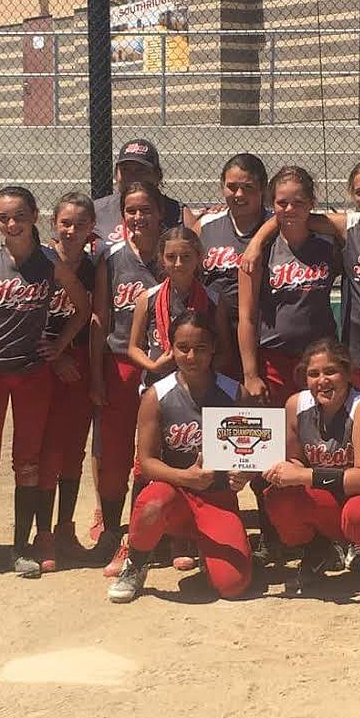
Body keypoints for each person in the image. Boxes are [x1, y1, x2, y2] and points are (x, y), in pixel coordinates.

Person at [242, 159, 360, 466]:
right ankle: (286, 506)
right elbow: (290, 217)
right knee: (294, 436)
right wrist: (257, 240)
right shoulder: (345, 228)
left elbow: (298, 216)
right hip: (343, 351)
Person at [0, 186, 89, 578]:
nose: (11, 224)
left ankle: (20, 547)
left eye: (19, 216)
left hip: (32, 373)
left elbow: (83, 307)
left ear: (34, 216)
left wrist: (59, 346)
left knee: (27, 462)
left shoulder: (50, 262)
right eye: (3, 217)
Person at [107, 310, 253, 603]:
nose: (191, 356)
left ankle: (208, 552)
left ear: (213, 348)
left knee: (233, 586)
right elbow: (146, 463)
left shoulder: (234, 392)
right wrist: (185, 477)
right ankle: (136, 561)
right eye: (183, 348)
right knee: (151, 502)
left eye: (200, 348)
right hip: (174, 494)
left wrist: (245, 474)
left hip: (217, 498)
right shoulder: (156, 395)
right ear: (170, 349)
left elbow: (250, 453)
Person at [263, 338, 360, 593]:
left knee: (359, 514)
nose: (321, 380)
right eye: (313, 374)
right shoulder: (296, 405)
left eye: (330, 371)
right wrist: (280, 470)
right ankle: (320, 549)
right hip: (338, 499)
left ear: (347, 373)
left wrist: (303, 475)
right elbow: (295, 461)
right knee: (280, 499)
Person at [89, 180, 166, 568]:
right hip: (119, 361)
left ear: (160, 214)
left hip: (164, 367)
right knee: (115, 452)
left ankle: (150, 531)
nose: (139, 218)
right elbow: (101, 317)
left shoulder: (173, 254)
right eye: (131, 211)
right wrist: (97, 375)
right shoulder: (113, 256)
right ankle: (112, 530)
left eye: (146, 210)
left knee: (152, 451)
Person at [237, 165, 341, 406]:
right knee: (280, 435)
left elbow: (354, 223)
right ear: (272, 205)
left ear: (312, 203)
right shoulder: (258, 253)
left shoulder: (329, 244)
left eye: (299, 202)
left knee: (320, 434)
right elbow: (247, 317)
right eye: (282, 203)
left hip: (320, 359)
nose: (290, 209)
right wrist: (250, 375)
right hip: (274, 360)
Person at [33, 192, 97, 573]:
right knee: (48, 451)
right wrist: (55, 358)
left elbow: (93, 317)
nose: (72, 230)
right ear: (53, 224)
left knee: (73, 448)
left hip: (78, 360)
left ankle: (66, 528)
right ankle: (43, 535)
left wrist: (68, 355)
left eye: (81, 224)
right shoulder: (39, 260)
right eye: (66, 223)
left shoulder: (93, 266)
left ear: (92, 229)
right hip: (42, 363)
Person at [195, 153, 271, 378]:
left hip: (261, 332)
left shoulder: (275, 225)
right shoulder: (206, 226)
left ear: (263, 189)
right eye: (232, 187)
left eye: (248, 187)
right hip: (215, 334)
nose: (239, 194)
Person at [128, 225, 232, 388]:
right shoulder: (147, 298)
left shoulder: (214, 301)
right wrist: (154, 367)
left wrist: (201, 369)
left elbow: (225, 352)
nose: (178, 263)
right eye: (171, 257)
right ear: (161, 259)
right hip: (157, 383)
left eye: (186, 256)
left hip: (200, 385)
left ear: (198, 257)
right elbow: (133, 348)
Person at [92, 138, 197, 248]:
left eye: (140, 170)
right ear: (116, 174)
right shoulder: (97, 211)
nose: (132, 176)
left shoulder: (178, 213)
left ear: (157, 175)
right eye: (125, 170)